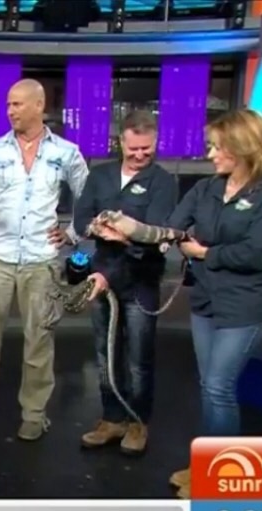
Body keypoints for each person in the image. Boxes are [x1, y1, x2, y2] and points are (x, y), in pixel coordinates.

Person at [162, 109, 262, 498]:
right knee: (209, 386)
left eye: (218, 147)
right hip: (206, 301)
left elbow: (255, 252)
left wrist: (204, 253)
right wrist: (140, 232)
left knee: (219, 387)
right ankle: (207, 465)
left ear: (244, 147)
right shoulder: (206, 189)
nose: (211, 155)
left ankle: (220, 479)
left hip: (244, 307)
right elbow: (175, 224)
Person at [0, 79, 89, 441]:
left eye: (17, 104)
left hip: (41, 259)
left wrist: (72, 234)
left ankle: (34, 414)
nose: (10, 111)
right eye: (8, 104)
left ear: (38, 105)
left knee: (39, 340)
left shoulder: (66, 153)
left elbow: (90, 197)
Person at [72, 110, 179, 455]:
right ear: (121, 142)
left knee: (138, 359)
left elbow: (152, 234)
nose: (140, 155)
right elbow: (81, 217)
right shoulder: (100, 175)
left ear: (155, 142)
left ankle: (137, 423)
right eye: (134, 148)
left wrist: (123, 236)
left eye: (147, 148)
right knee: (105, 355)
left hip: (141, 282)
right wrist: (98, 229)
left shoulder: (163, 182)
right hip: (102, 280)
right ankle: (111, 419)